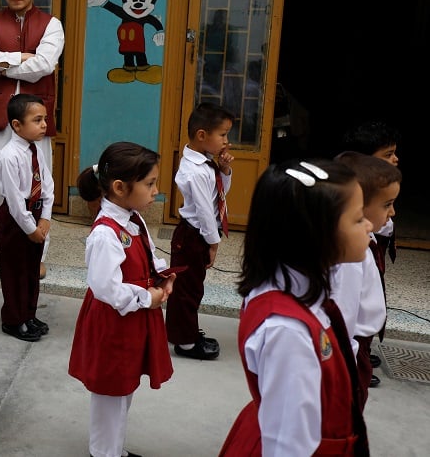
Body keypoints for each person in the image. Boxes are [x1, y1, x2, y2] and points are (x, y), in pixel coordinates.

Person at [220, 159, 370, 456]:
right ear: (314, 235)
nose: (370, 225)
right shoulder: (287, 331)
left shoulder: (304, 291)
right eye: (358, 219)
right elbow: (289, 446)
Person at [69, 142, 176, 457]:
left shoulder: (133, 217)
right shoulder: (105, 233)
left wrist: (162, 275)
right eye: (149, 183)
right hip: (114, 322)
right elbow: (107, 289)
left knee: (124, 386)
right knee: (110, 393)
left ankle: (113, 449)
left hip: (133, 317)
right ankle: (104, 452)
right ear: (119, 187)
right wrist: (148, 297)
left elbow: (148, 255)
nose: (156, 190)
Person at [0, 0, 64, 279]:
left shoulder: (52, 24)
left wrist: (2, 63)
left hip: (35, 119)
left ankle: (36, 248)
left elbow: (44, 64)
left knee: (36, 183)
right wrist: (18, 56)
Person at [166, 102, 235, 360]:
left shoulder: (205, 162)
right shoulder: (194, 171)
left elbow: (219, 195)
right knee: (187, 289)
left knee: (191, 287)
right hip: (193, 235)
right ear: (202, 135)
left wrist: (225, 169)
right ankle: (185, 342)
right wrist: (213, 243)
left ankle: (186, 332)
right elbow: (206, 211)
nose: (226, 141)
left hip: (196, 234)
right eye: (223, 134)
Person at [333, 151, 400, 397]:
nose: (392, 212)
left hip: (360, 342)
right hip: (350, 346)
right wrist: (344, 367)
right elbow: (342, 316)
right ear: (357, 204)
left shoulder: (366, 237)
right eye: (386, 205)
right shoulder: (349, 255)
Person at [0, 94, 54, 342]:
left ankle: (28, 314)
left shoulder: (35, 149)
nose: (43, 125)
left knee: (31, 268)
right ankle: (13, 319)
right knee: (15, 270)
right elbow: (15, 200)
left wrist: (46, 219)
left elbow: (47, 184)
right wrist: (30, 228)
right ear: (17, 125)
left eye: (45, 119)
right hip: (16, 220)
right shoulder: (9, 156)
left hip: (36, 214)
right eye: (37, 120)